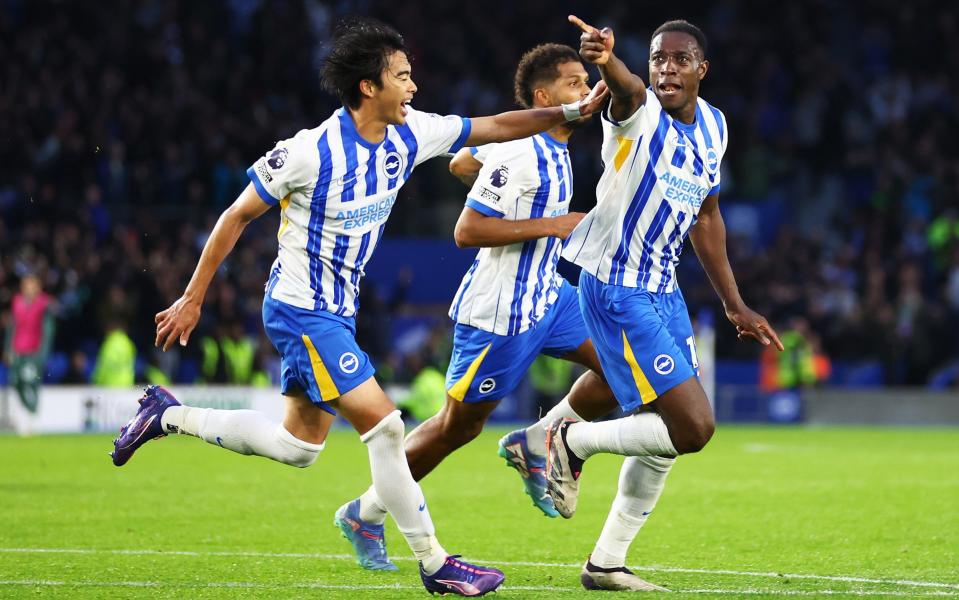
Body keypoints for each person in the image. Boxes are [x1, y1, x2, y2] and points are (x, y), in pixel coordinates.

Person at [110, 17, 608, 597]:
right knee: (388, 426)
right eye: (402, 76)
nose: (414, 87)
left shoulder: (409, 132)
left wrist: (569, 114)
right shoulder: (307, 151)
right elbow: (235, 216)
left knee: (297, 447)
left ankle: (167, 414)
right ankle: (436, 563)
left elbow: (493, 125)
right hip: (300, 307)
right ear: (369, 86)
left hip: (337, 310)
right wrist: (192, 298)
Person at [337, 43, 621, 571]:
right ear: (543, 96)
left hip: (548, 297)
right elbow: (466, 231)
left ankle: (538, 440)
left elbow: (464, 161)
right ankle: (365, 510)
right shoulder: (522, 151)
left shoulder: (533, 145)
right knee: (455, 428)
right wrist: (551, 224)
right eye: (575, 83)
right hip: (501, 317)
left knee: (623, 363)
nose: (586, 91)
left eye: (587, 81)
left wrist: (491, 179)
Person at [543, 16, 784, 591]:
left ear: (703, 68)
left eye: (680, 60)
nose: (666, 69)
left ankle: (606, 563)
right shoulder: (637, 112)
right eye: (658, 59)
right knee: (695, 428)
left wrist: (733, 303)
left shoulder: (715, 127)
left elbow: (707, 215)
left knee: (667, 441)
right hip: (617, 285)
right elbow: (625, 87)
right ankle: (567, 440)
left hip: (662, 287)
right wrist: (607, 60)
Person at [3, 274, 54, 434]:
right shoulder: (17, 302)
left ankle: (32, 418)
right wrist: (7, 349)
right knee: (16, 381)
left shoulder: (44, 304)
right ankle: (30, 411)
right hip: (18, 350)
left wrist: (43, 354)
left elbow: (48, 331)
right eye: (26, 286)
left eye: (32, 286)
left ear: (38, 288)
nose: (28, 289)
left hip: (34, 351)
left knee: (31, 383)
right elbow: (12, 328)